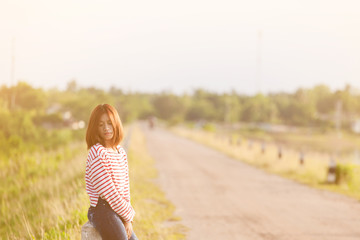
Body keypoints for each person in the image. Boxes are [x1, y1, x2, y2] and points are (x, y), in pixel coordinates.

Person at [85, 104, 138, 240]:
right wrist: (128, 215)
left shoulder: (120, 152)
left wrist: (128, 219)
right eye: (101, 124)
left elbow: (125, 189)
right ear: (95, 127)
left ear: (116, 124)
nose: (106, 128)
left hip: (118, 209)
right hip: (102, 210)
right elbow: (108, 192)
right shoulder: (97, 152)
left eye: (109, 123)